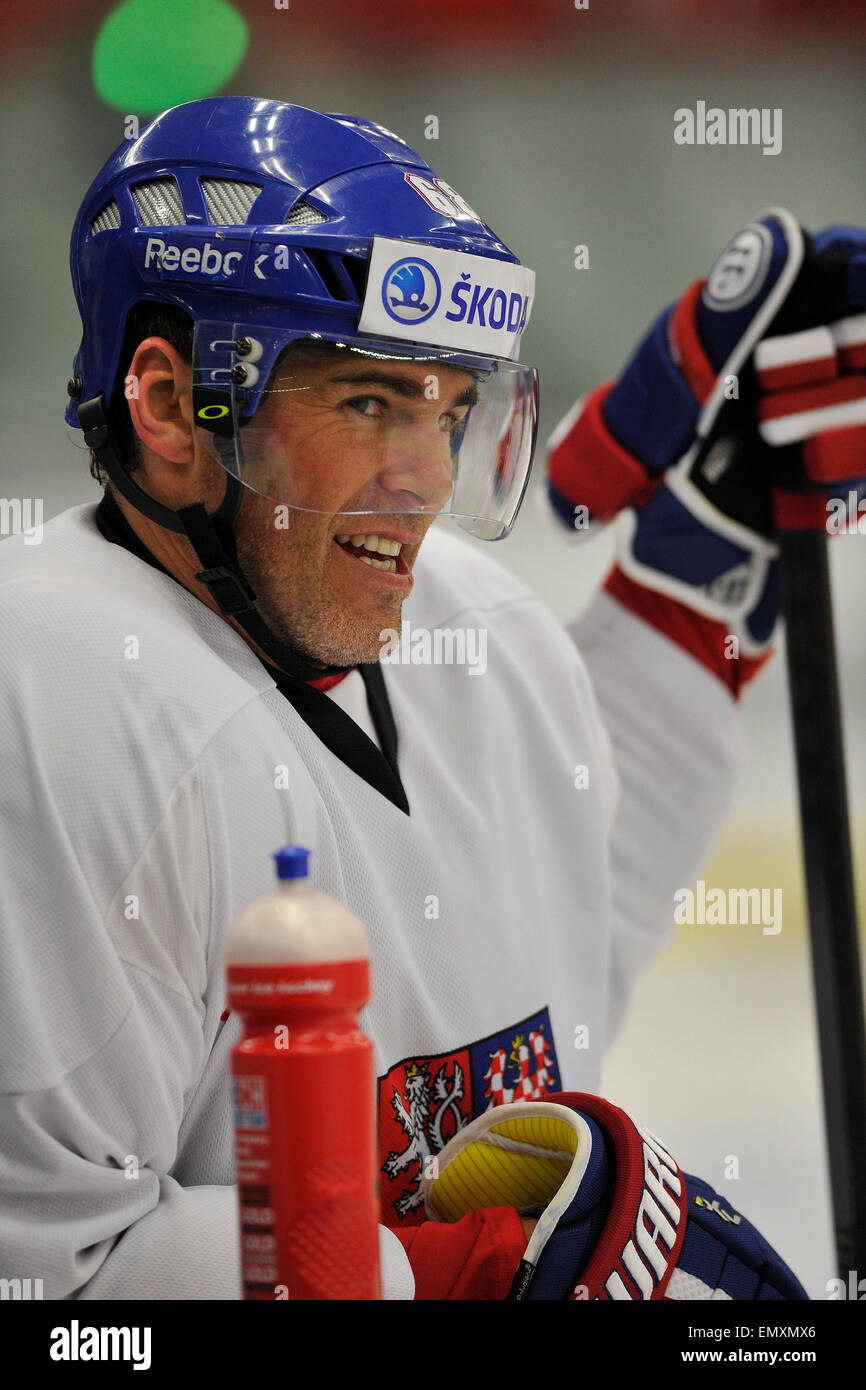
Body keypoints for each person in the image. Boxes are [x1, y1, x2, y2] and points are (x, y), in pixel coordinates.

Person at [7, 95, 861, 1301]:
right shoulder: (54, 695)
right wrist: (466, 1279)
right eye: (367, 403)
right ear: (167, 408)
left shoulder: (474, 625)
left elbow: (555, 938)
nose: (421, 483)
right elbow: (55, 1289)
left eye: (447, 411)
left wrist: (701, 568)